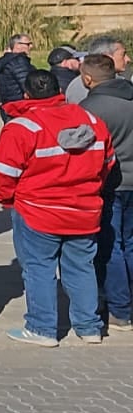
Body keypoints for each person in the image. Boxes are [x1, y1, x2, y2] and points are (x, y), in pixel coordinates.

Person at [0, 69, 113, 346]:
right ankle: (89, 327)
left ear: (26, 94)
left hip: (37, 212)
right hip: (84, 210)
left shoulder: (22, 127)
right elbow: (107, 163)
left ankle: (42, 328)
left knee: (39, 269)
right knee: (82, 267)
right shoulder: (92, 121)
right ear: (60, 90)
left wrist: (9, 200)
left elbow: (2, 173)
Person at [77, 53, 133, 330]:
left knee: (112, 247)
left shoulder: (90, 108)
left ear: (87, 78)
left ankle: (120, 310)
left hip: (110, 184)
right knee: (130, 243)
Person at [66, 37, 129, 105]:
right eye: (123, 55)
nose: (128, 59)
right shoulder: (117, 85)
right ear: (106, 57)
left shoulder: (73, 85)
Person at [0, 34, 36, 122]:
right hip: (20, 108)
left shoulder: (5, 61)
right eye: (28, 44)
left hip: (7, 106)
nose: (31, 46)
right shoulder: (18, 61)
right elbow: (28, 86)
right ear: (17, 45)